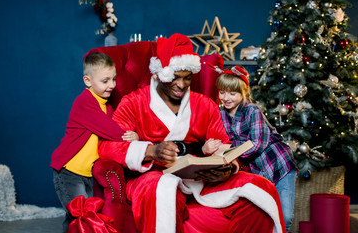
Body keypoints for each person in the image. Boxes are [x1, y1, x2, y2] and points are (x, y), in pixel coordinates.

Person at [98, 33, 286, 233]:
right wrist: (150, 151)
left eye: (187, 78)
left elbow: (223, 143)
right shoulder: (134, 102)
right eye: (174, 78)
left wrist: (225, 169)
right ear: (159, 74)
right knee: (161, 187)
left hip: (199, 178)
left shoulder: (204, 104)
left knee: (257, 187)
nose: (181, 85)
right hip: (153, 176)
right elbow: (107, 146)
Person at [213, 64, 297, 231]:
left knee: (284, 216)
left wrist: (227, 146)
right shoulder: (221, 114)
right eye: (222, 92)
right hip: (258, 172)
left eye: (232, 93)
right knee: (263, 214)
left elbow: (256, 145)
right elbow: (221, 140)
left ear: (243, 92)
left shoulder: (252, 111)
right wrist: (215, 145)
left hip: (279, 165)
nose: (226, 97)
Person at [50, 52, 126, 232]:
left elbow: (113, 126)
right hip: (69, 171)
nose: (112, 85)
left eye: (114, 79)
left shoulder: (106, 106)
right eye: (105, 81)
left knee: (79, 217)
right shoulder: (84, 102)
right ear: (88, 81)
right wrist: (129, 135)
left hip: (86, 174)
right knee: (81, 216)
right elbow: (111, 130)